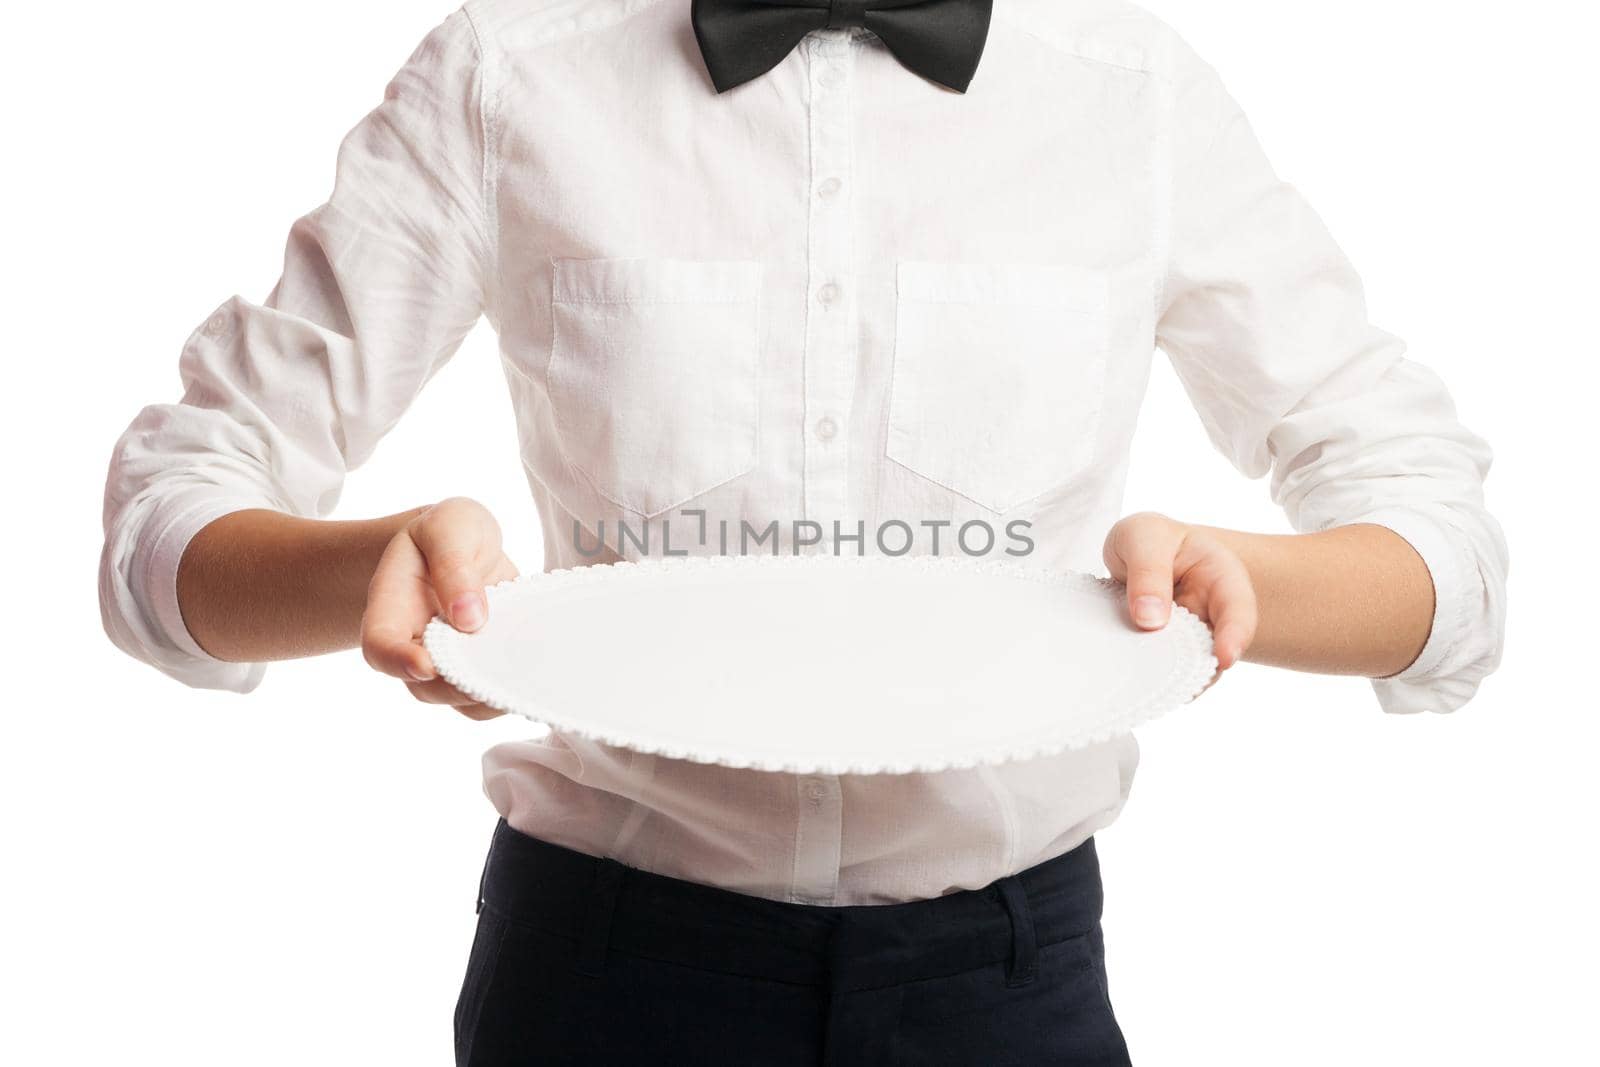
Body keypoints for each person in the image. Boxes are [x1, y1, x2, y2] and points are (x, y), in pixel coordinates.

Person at [98, 1, 1509, 1063]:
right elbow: (165, 532)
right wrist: (365, 567)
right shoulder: (510, 69)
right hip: (598, 980)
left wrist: (1245, 581)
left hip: (1011, 988)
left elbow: (1447, 558)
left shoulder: (1131, 94)